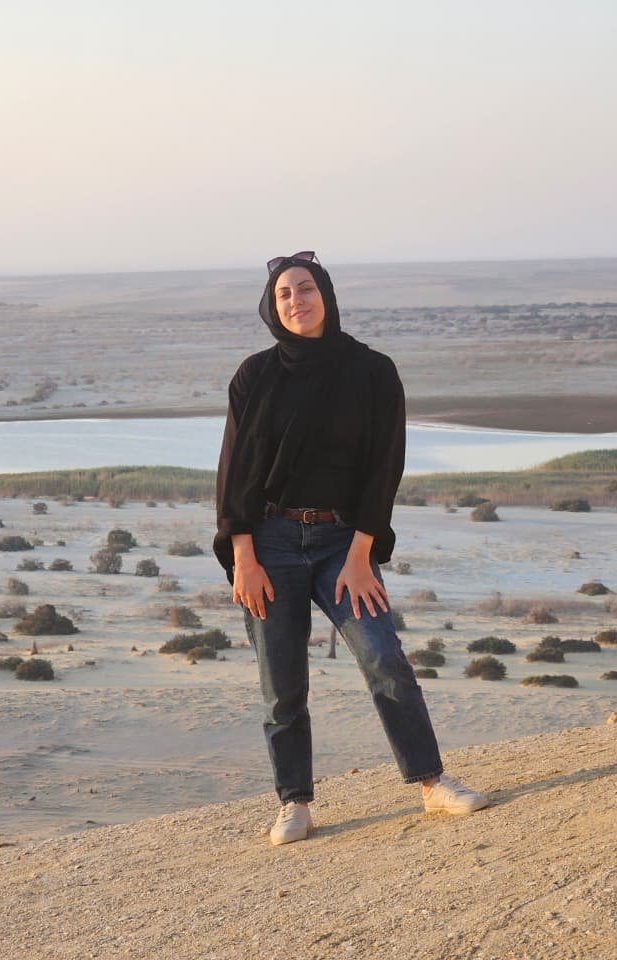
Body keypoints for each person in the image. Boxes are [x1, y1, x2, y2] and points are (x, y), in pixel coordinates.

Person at [214, 251, 488, 846]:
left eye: (306, 289)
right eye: (285, 294)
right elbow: (234, 473)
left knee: (383, 657)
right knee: (281, 682)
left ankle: (432, 782)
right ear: (272, 307)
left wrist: (362, 553)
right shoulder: (254, 377)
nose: (297, 301)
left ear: (327, 295)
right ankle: (295, 802)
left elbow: (384, 468)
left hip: (344, 540)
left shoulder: (372, 371)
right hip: (269, 542)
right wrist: (244, 557)